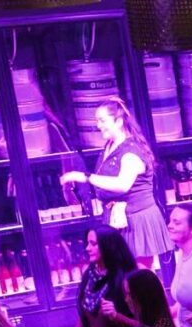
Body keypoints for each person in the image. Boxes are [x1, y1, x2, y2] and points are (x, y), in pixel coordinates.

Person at [58, 95, 169, 264]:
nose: (98, 126)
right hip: (117, 218)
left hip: (136, 221)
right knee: (122, 273)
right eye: (97, 121)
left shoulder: (130, 153)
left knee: (138, 274)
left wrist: (85, 177)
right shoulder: (110, 146)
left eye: (102, 121)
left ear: (118, 121)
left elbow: (122, 185)